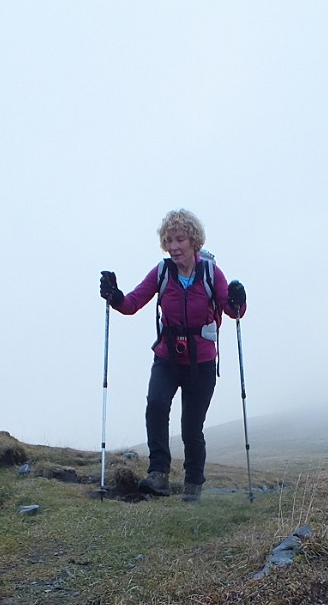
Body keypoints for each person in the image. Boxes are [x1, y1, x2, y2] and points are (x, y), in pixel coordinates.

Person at [100, 209, 246, 503]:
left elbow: (233, 312)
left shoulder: (211, 273)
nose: (174, 246)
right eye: (168, 240)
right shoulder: (162, 272)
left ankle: (193, 485)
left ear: (194, 241)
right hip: (167, 357)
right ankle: (158, 475)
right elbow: (131, 303)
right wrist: (114, 295)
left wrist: (238, 299)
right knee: (155, 406)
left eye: (180, 239)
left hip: (201, 363)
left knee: (191, 428)